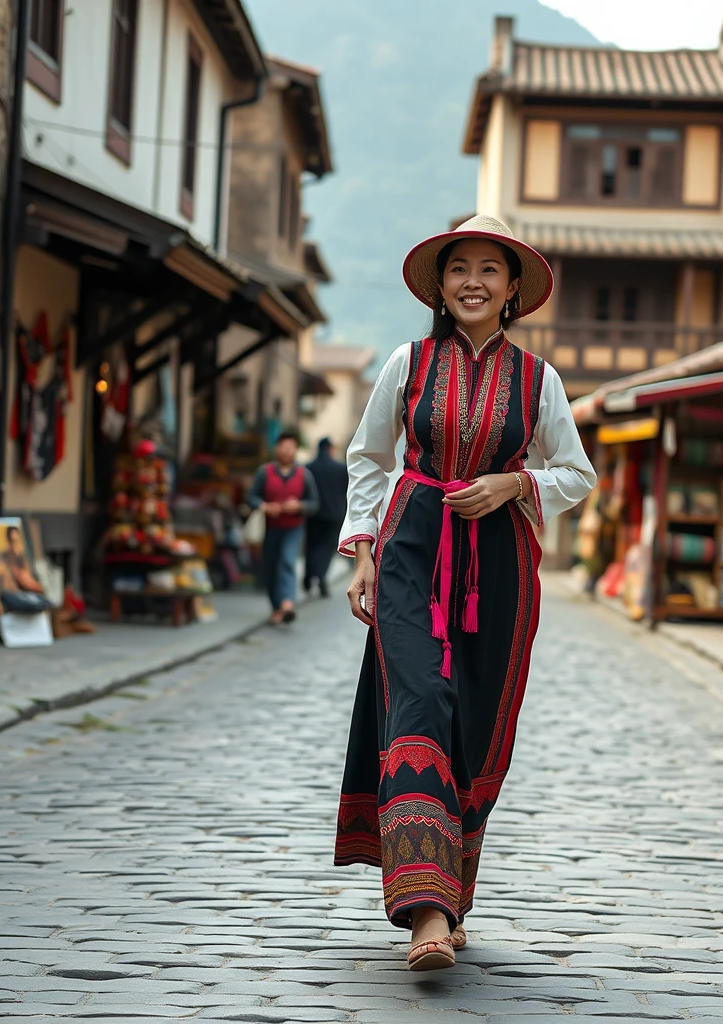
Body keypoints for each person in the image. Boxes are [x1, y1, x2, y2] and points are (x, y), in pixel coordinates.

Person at [333, 215, 596, 971]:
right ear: (440, 288)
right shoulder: (406, 364)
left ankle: (452, 892)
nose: (473, 281)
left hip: (501, 564)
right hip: (413, 546)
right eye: (459, 269)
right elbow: (368, 456)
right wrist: (364, 555)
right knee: (419, 704)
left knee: (475, 727)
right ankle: (427, 913)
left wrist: (515, 482)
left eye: (490, 269)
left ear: (513, 290)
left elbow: (576, 472)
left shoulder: (538, 379)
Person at [248, 431, 320, 624]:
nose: (287, 451)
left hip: (293, 528)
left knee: (287, 561)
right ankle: (276, 607)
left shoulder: (304, 475)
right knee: (271, 567)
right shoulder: (265, 472)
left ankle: (287, 603)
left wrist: (299, 506)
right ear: (277, 449)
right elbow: (251, 497)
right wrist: (264, 506)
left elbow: (314, 503)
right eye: (284, 447)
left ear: (296, 451)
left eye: (291, 447)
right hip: (270, 528)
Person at [304, 438, 349, 597]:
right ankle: (321, 576)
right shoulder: (340, 469)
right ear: (330, 449)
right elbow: (346, 491)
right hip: (334, 514)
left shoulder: (308, 468)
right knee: (327, 547)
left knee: (311, 546)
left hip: (312, 514)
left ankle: (309, 576)